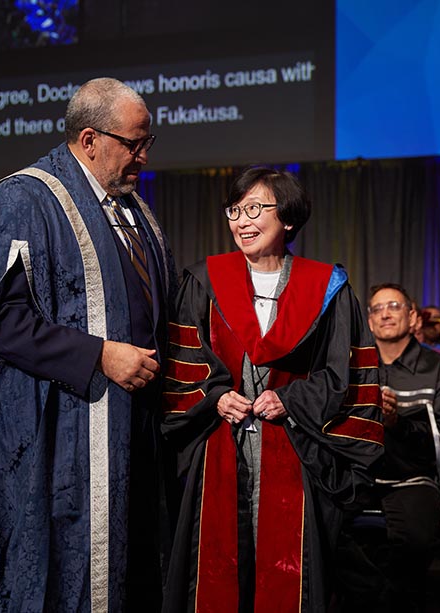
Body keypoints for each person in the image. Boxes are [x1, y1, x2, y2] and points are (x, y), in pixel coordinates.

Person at [0, 77, 176, 612]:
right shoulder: (22, 199)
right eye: (134, 144)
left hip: (132, 426)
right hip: (58, 438)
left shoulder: (133, 210)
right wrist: (99, 354)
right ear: (91, 138)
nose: (144, 156)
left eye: (148, 143)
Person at [160, 167, 383, 612]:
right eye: (235, 210)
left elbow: (348, 373)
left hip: (297, 446)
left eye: (256, 208)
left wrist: (291, 399)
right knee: (215, 569)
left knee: (289, 571)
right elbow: (181, 364)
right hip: (219, 445)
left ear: (288, 219)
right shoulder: (204, 281)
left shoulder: (326, 287)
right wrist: (215, 394)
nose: (242, 220)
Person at [335, 283, 440, 612]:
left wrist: (397, 423)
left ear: (412, 315)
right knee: (323, 528)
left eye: (394, 305)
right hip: (356, 477)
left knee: (412, 543)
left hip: (414, 479)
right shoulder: (349, 368)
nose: (386, 313)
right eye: (377, 308)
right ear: (369, 320)